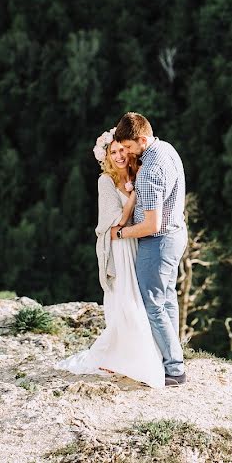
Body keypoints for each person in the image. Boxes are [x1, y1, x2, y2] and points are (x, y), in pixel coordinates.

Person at [54, 127, 164, 388]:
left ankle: (142, 352)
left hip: (137, 241)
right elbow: (114, 222)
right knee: (126, 300)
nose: (119, 156)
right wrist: (134, 196)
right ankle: (128, 357)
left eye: (122, 150)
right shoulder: (106, 181)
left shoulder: (139, 173)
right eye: (112, 152)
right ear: (106, 157)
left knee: (142, 296)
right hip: (120, 247)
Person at [113, 112, 188, 386]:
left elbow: (151, 224)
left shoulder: (150, 171)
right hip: (177, 234)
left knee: (152, 304)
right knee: (167, 299)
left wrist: (121, 233)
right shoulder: (167, 148)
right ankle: (173, 357)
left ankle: (174, 368)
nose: (128, 152)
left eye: (130, 147)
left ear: (142, 139)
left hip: (159, 242)